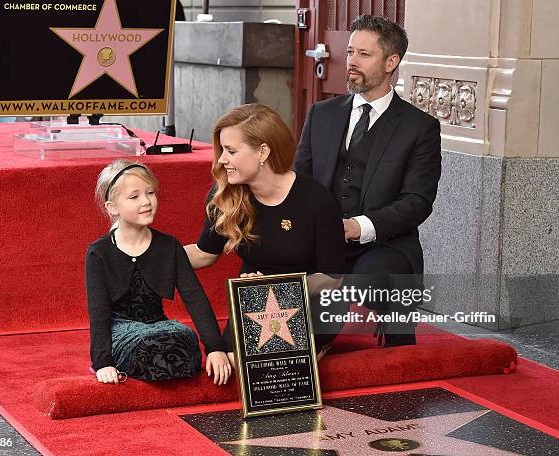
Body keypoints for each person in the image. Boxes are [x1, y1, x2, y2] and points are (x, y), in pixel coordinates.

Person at [295, 15, 442, 347]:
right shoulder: (322, 113)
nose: (351, 62)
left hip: (383, 244)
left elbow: (417, 202)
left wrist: (356, 227)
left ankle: (398, 348)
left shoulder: (420, 128)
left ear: (391, 62)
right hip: (321, 244)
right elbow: (298, 182)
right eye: (349, 52)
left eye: (364, 54)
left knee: (368, 279)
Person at [184, 103, 345, 366]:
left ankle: (317, 346)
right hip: (254, 301)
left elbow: (333, 278)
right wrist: (151, 252)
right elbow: (204, 253)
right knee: (232, 359)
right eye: (222, 150)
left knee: (260, 359)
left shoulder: (316, 199)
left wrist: (279, 288)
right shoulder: (226, 195)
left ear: (263, 152)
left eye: (231, 151)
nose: (222, 160)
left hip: (311, 301)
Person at [86, 160, 231, 385]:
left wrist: (215, 347)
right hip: (122, 330)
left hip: (158, 326)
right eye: (134, 197)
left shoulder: (169, 246)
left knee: (184, 339)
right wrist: (102, 362)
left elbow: (195, 298)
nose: (146, 202)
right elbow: (98, 311)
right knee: (147, 347)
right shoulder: (99, 252)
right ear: (112, 207)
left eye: (150, 193)